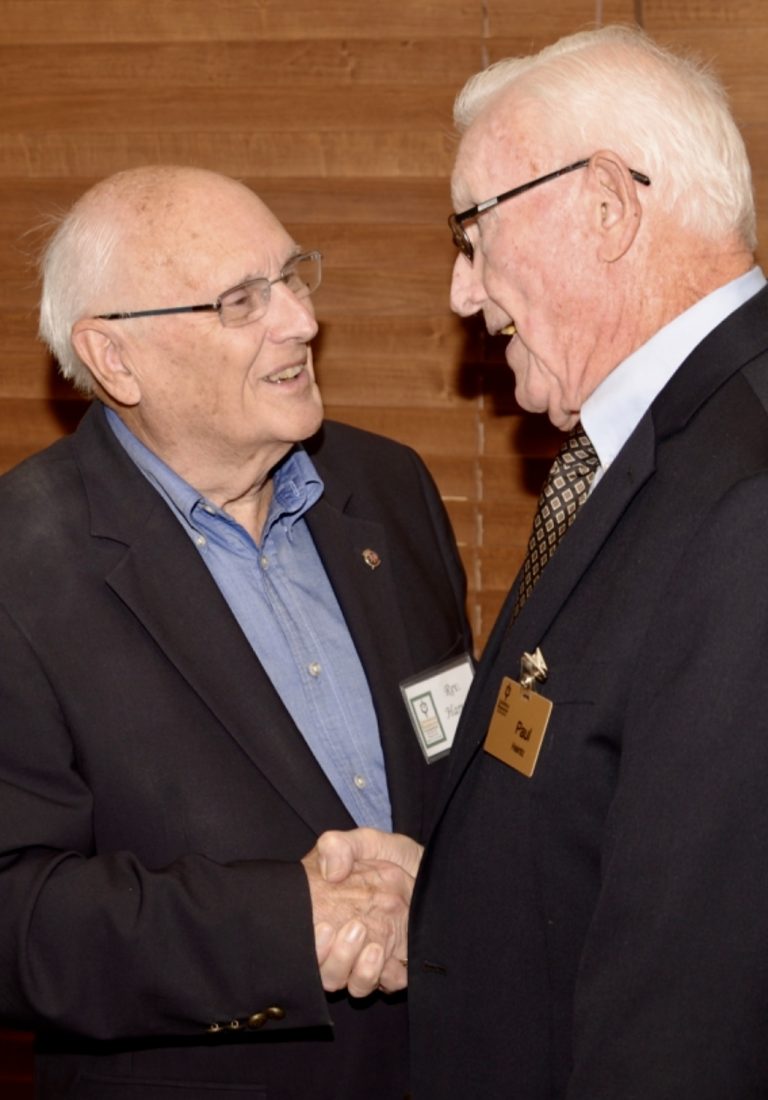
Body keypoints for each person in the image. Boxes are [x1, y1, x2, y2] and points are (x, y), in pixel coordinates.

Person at [316, 24, 768, 1098]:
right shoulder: (650, 445)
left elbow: (699, 995)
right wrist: (465, 887)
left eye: (473, 233)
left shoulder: (745, 491)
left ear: (605, 207)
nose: (463, 293)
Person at [0, 165, 471, 1099]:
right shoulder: (21, 565)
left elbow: (452, 753)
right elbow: (16, 911)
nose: (300, 321)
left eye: (293, 276)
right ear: (115, 358)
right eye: (241, 300)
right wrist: (287, 922)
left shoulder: (390, 489)